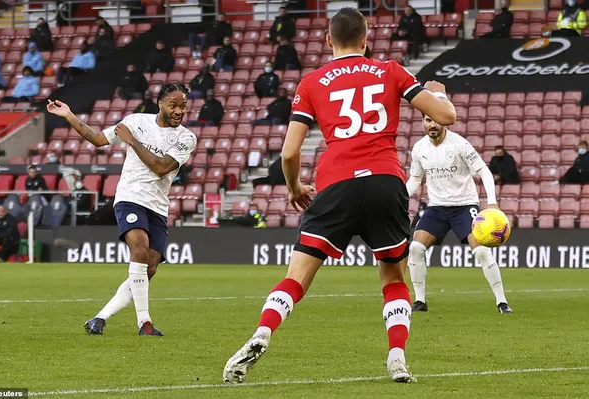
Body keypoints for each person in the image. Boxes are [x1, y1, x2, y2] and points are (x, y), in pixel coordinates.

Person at [223, 7, 457, 384]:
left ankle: (263, 331)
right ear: (367, 39)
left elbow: (288, 152)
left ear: (328, 40)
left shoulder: (312, 82)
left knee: (297, 276)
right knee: (393, 275)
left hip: (336, 183)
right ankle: (397, 356)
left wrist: (296, 187)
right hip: (384, 179)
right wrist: (438, 94)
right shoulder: (391, 70)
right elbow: (445, 118)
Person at [46, 83, 197, 336]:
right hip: (130, 197)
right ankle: (144, 323)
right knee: (138, 250)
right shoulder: (136, 121)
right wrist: (69, 115)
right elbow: (97, 139)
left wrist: (133, 142)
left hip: (158, 206)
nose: (179, 111)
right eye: (173, 105)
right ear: (160, 103)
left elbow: (161, 167)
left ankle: (100, 317)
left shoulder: (186, 138)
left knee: (150, 267)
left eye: (183, 106)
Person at [406, 114, 512, 314]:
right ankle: (420, 301)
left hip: (464, 206)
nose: (433, 124)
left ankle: (502, 302)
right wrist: (400, 197)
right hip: (437, 207)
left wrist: (492, 203)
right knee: (416, 248)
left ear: (444, 121)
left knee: (481, 251)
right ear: (423, 122)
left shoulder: (460, 144)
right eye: (428, 120)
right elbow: (415, 179)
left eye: (436, 120)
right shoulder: (419, 148)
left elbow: (484, 171)